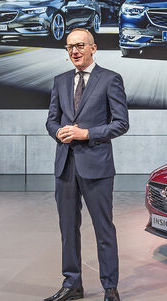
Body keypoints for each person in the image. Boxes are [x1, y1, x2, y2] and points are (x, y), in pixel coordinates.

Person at [45, 28, 129, 301]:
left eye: (80, 45)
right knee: (68, 229)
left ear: (94, 48)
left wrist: (87, 133)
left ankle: (110, 288)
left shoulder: (110, 80)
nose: (74, 51)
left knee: (104, 229)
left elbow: (121, 123)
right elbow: (52, 119)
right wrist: (57, 131)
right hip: (66, 165)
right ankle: (72, 284)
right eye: (69, 47)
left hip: (97, 166)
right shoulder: (60, 81)